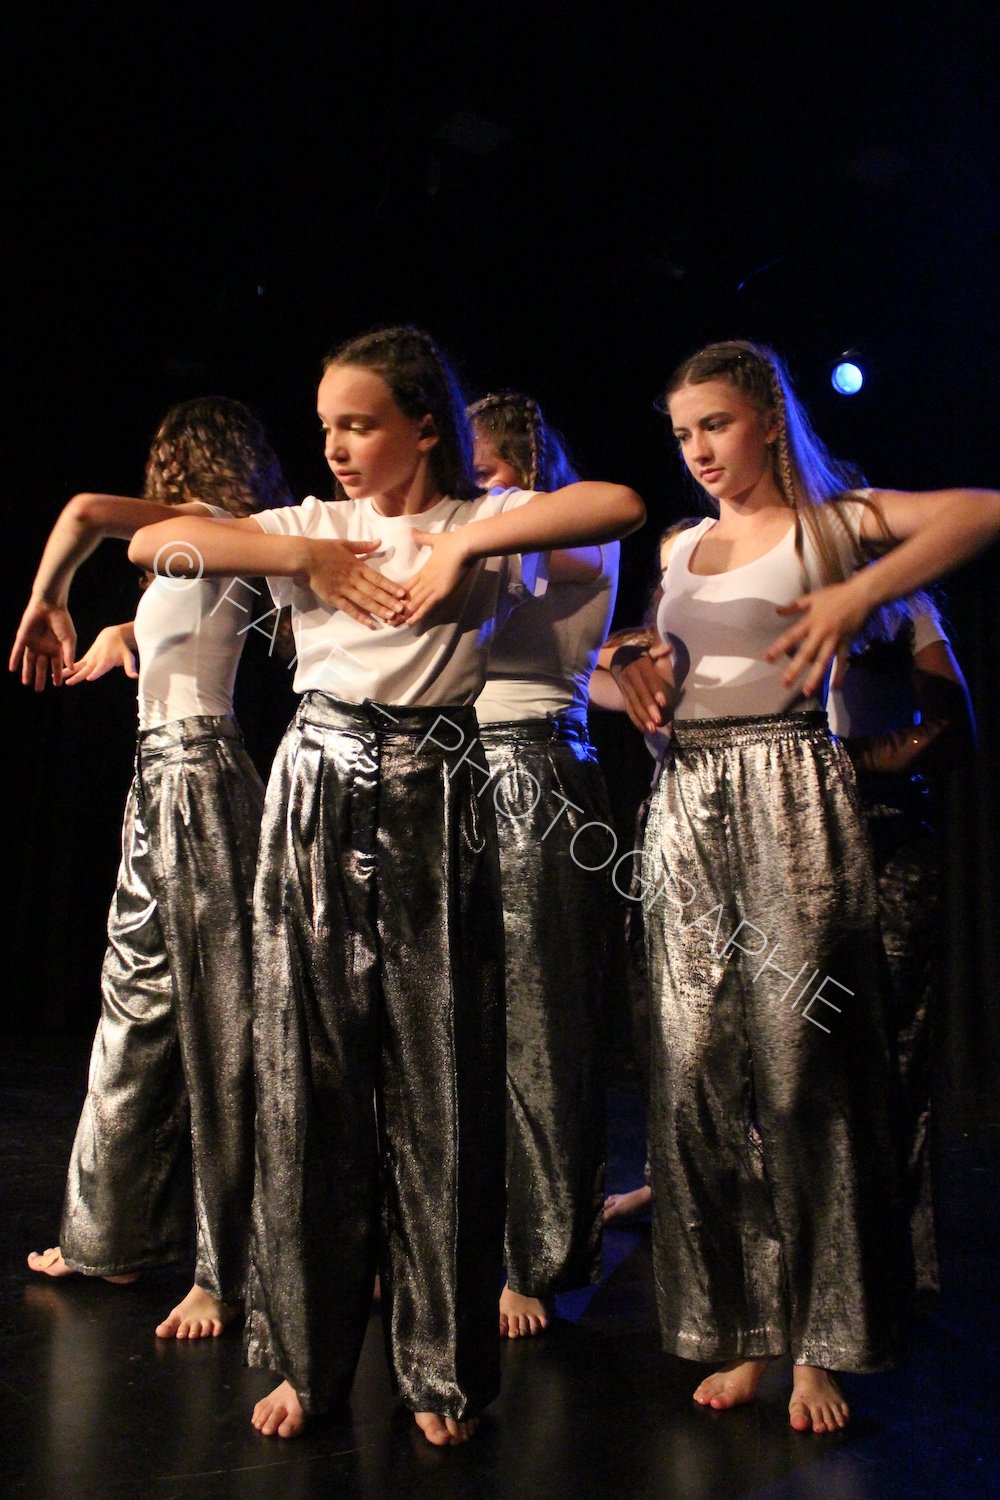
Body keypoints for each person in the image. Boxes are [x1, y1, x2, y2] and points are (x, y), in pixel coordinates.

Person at [128, 326, 645, 1446]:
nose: (337, 446)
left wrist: (463, 548)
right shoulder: (314, 524)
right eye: (327, 426)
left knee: (439, 1082)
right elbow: (157, 541)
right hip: (315, 780)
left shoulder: (482, 522)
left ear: (423, 424)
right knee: (307, 1077)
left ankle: (439, 1371)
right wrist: (307, 562)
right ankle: (306, 1361)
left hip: (435, 786)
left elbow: (616, 505)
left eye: (359, 424)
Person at [606, 338, 1000, 1434]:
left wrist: (860, 592)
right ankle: (747, 1327)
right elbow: (630, 667)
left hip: (790, 788)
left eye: (716, 426)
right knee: (698, 1072)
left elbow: (980, 511)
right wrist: (628, 675)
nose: (698, 451)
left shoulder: (832, 524)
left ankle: (821, 1341)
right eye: (683, 434)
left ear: (769, 421)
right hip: (686, 802)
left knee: (798, 1075)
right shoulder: (679, 545)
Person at [12, 396, 292, 1339]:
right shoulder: (215, 544)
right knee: (135, 1007)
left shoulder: (212, 525)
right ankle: (110, 1236)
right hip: (163, 779)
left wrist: (49, 597)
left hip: (201, 780)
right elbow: (196, 622)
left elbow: (85, 513)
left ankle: (228, 1267)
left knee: (219, 1020)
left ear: (182, 462)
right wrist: (123, 634)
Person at [468, 391, 617, 1338]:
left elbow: (544, 539)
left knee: (541, 1020)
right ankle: (446, 1237)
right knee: (457, 1018)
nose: (470, 490)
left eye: (480, 469)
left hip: (538, 772)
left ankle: (538, 1255)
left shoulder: (577, 531)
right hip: (456, 767)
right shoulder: (477, 530)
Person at [827, 592, 975, 1297]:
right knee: (799, 1040)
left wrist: (857, 757)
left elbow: (953, 727)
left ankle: (894, 1253)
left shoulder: (902, 605)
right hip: (791, 826)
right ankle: (810, 1247)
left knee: (893, 1043)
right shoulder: (767, 584)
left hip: (886, 830)